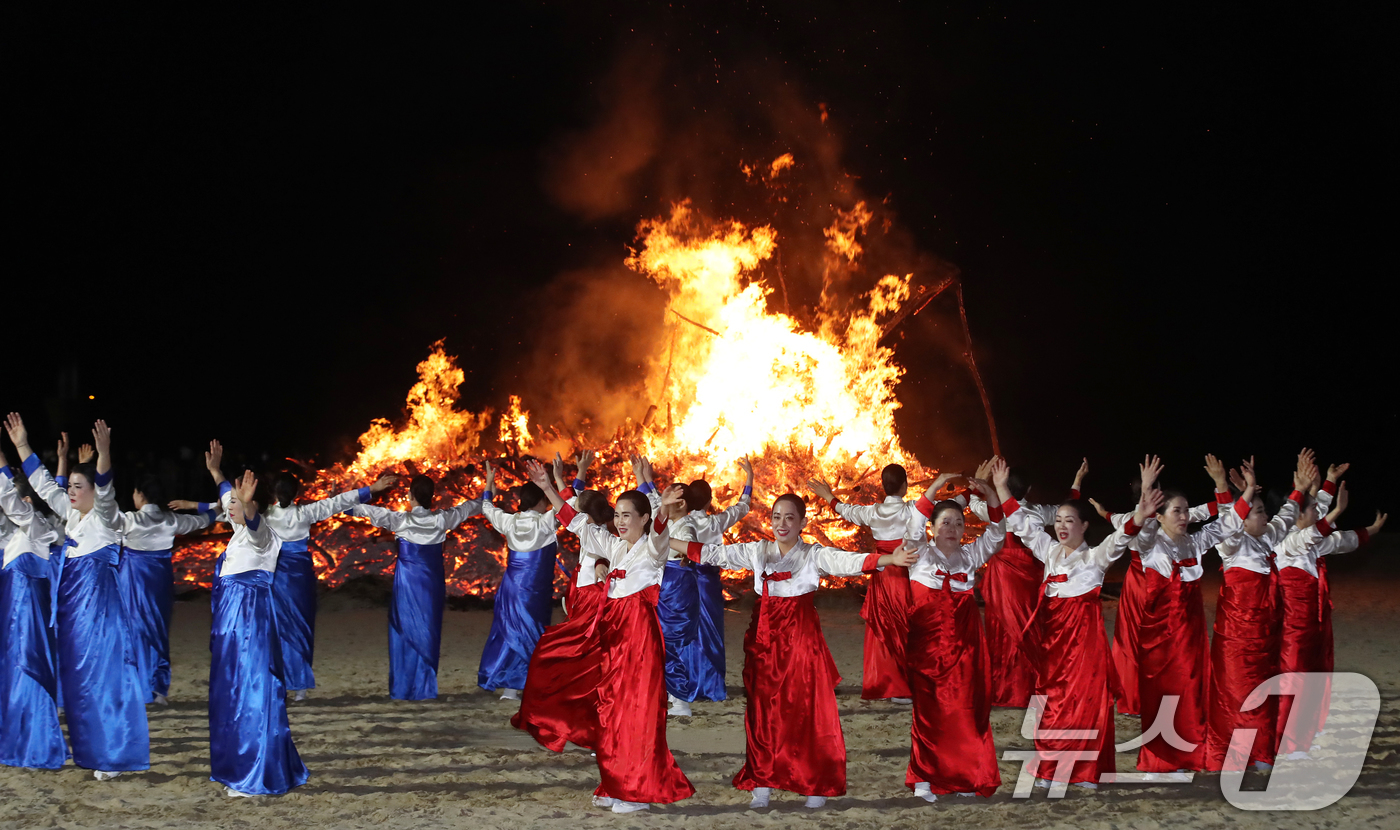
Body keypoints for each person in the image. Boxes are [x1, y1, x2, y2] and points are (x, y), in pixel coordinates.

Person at [669, 493, 919, 809]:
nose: (781, 523)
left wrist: (888, 559)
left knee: (807, 710)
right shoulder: (757, 551)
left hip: (802, 641)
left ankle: (814, 782)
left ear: (802, 522)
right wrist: (666, 539)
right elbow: (710, 553)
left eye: (789, 517)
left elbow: (849, 561)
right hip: (763, 642)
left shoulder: (812, 554)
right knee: (763, 713)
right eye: (776, 516)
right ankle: (763, 781)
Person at [530, 460, 693, 815]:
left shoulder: (653, 548)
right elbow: (574, 522)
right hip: (614, 634)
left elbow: (662, 534)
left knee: (636, 713)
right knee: (610, 711)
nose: (620, 521)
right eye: (617, 514)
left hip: (639, 638)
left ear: (643, 518)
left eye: (627, 515)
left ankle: (636, 790)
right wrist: (547, 488)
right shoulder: (612, 544)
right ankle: (617, 782)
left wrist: (663, 508)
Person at [994, 459, 1161, 790]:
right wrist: (1000, 487)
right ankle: (1051, 767)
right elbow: (1023, 526)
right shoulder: (1050, 551)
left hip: (1084, 646)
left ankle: (1085, 771)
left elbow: (1121, 538)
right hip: (1053, 644)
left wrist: (1140, 512)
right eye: (1057, 520)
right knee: (1052, 702)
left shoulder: (1093, 558)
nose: (1061, 526)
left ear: (1085, 526)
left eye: (1069, 520)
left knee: (1085, 703)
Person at [7, 413, 149, 780]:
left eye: (77, 486)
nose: (70, 491)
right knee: (79, 681)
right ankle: (91, 751)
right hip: (72, 612)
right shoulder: (70, 517)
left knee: (103, 677)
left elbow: (106, 492)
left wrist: (103, 454)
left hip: (99, 611)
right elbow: (41, 483)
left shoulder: (105, 517)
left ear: (91, 490)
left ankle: (112, 755)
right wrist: (22, 444)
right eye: (69, 485)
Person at [1131, 455, 1250, 777]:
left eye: (1186, 510)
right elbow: (1139, 531)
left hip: (1191, 633)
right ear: (1160, 514)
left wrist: (1227, 487)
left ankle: (1187, 756)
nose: (1184, 516)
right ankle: (1159, 760)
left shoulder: (1194, 543)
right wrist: (1145, 490)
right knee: (1162, 695)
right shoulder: (1151, 545)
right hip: (1159, 636)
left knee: (1192, 690)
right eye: (1176, 511)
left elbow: (1228, 524)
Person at [207, 456, 309, 797]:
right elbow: (227, 497)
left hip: (251, 627)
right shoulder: (237, 533)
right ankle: (238, 764)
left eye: (238, 501)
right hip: (231, 630)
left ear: (255, 503)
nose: (230, 505)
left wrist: (248, 506)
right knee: (233, 695)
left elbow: (254, 524)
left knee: (253, 694)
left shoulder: (262, 534)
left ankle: (255, 773)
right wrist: (217, 473)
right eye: (231, 501)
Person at [1204, 453, 1313, 772]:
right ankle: (1235, 755)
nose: (1266, 516)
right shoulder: (1231, 545)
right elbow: (1227, 520)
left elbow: (1287, 516)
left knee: (1265, 691)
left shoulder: (1267, 538)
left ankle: (1262, 752)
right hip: (1236, 638)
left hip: (1266, 634)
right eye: (1258, 511)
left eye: (1265, 510)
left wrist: (1300, 489)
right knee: (1237, 694)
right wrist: (1224, 487)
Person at [904, 467, 1007, 801]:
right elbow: (912, 525)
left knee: (964, 710)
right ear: (931, 528)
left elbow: (997, 534)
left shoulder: (970, 555)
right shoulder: (918, 553)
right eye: (945, 522)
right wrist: (935, 486)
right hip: (928, 649)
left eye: (959, 523)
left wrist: (991, 496)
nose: (952, 528)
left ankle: (963, 776)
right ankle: (923, 779)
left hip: (965, 650)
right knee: (929, 711)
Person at [808, 466, 953, 702]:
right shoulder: (912, 509)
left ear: (883, 487)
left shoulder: (873, 513)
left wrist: (828, 496)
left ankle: (891, 683)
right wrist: (971, 494)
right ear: (905, 486)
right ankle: (907, 684)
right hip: (910, 573)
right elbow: (944, 507)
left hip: (883, 573)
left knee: (886, 625)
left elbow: (846, 511)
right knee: (909, 623)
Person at [1273, 469, 1386, 759]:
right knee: (1293, 679)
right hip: (1292, 629)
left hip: (1317, 624)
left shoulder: (1314, 543)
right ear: (1297, 516)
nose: (1318, 512)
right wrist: (1336, 508)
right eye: (1312, 509)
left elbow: (1341, 540)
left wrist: (1371, 528)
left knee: (1318, 676)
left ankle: (1309, 731)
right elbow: (1316, 528)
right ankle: (1287, 743)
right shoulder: (1286, 543)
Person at [258, 470, 397, 701]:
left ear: (274, 491)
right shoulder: (304, 512)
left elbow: (231, 511)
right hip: (299, 577)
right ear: (296, 493)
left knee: (275, 627)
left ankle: (277, 681)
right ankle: (299, 685)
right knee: (301, 627)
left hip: (274, 575)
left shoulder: (266, 515)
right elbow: (337, 502)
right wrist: (372, 488)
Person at [963, 457, 1086, 708]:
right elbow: (1067, 508)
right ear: (1029, 490)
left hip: (1003, 579)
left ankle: (1005, 689)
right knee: (1030, 627)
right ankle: (1033, 687)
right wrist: (1077, 481)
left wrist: (980, 483)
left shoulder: (992, 509)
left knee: (1003, 632)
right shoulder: (1039, 512)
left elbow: (973, 503)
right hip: (1030, 577)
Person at [348, 472, 484, 699]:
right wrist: (487, 490)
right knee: (428, 631)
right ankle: (424, 688)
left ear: (410, 496)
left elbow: (355, 510)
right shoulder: (442, 519)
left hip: (407, 587)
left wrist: (367, 490)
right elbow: (472, 507)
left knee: (402, 632)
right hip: (431, 587)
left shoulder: (400, 520)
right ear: (433, 496)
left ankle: (402, 689)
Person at [639, 455, 754, 712]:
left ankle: (684, 686)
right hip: (707, 582)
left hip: (682, 580)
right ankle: (709, 685)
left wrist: (645, 477)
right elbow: (743, 506)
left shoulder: (681, 522)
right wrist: (749, 479)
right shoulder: (715, 521)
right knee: (708, 633)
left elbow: (654, 499)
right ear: (710, 501)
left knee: (683, 634)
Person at [511, 485, 614, 752]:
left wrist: (548, 485)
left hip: (595, 603)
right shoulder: (602, 532)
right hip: (587, 601)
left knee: (568, 658)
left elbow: (566, 513)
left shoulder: (594, 532)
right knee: (586, 664)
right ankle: (586, 725)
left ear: (587, 516)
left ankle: (584, 726)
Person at [477, 453, 583, 701]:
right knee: (534, 633)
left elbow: (486, 507)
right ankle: (536, 683)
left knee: (512, 632)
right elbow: (570, 504)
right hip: (535, 591)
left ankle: (511, 688)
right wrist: (569, 477)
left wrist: (489, 483)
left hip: (511, 588)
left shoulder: (509, 522)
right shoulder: (546, 522)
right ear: (539, 502)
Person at [117, 472, 219, 705]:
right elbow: (202, 521)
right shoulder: (170, 520)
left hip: (133, 579)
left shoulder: (131, 520)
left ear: (141, 495)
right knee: (158, 629)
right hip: (161, 579)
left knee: (133, 631)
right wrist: (217, 509)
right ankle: (158, 687)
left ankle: (137, 686)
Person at [0, 445, 67, 769]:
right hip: (15, 609)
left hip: (25, 610)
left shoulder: (37, 525)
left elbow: (11, 501)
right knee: (14, 666)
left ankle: (34, 741)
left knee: (26, 664)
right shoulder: (17, 531)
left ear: (25, 501)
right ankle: (15, 734)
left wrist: (2, 459)